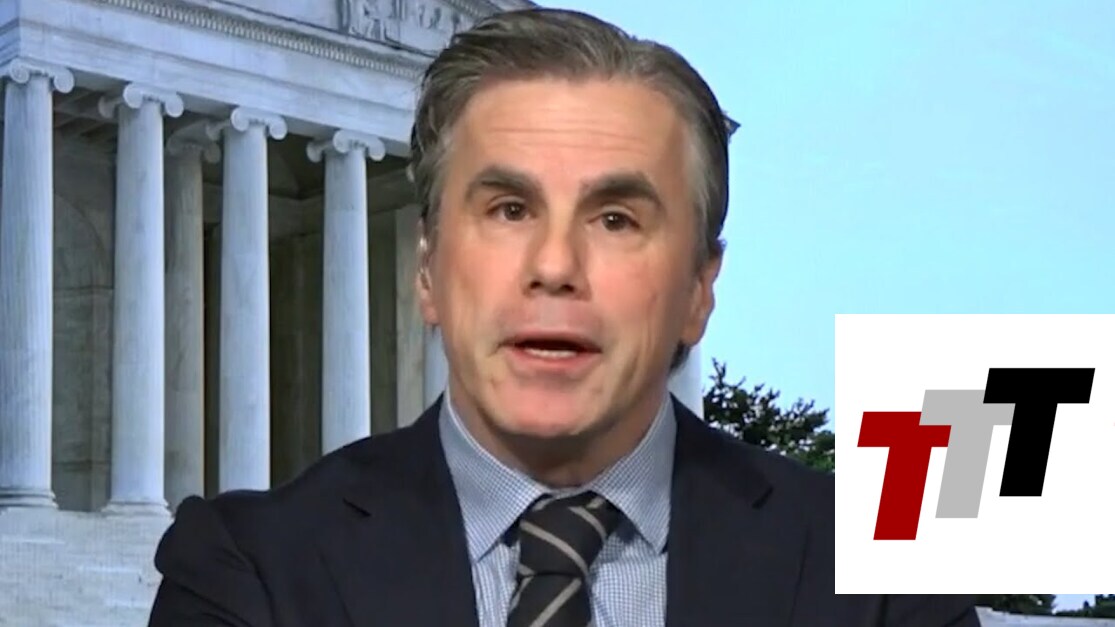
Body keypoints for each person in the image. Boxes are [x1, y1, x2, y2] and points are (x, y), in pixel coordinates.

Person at [148, 8, 978, 627]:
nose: (554, 265)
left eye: (615, 219)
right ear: (427, 271)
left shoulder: (880, 581)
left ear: (698, 288)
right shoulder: (246, 570)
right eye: (508, 209)